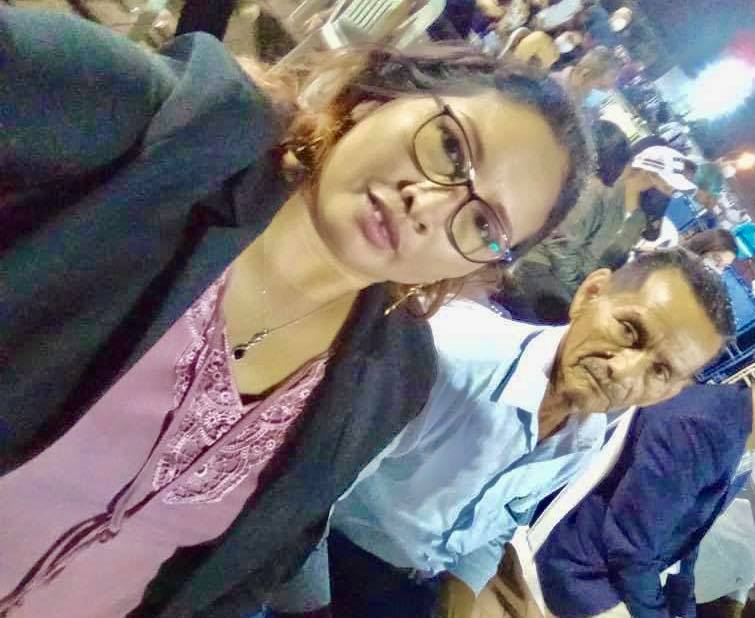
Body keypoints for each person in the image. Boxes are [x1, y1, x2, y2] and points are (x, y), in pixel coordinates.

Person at [0, 7, 594, 618]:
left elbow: (253, 567)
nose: (431, 207)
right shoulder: (190, 132)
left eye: (483, 225)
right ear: (380, 101)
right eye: (449, 147)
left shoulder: (393, 377)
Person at [279, 248, 731, 618]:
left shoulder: (586, 434)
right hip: (322, 556)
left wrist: (460, 590)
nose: (624, 371)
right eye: (629, 331)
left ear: (669, 392)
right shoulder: (450, 361)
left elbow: (500, 523)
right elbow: (302, 497)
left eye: (660, 371)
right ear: (591, 293)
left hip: (414, 580)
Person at [535, 381, 751, 618]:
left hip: (617, 570)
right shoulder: (702, 430)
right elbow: (630, 549)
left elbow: (687, 532)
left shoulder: (733, 419)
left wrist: (683, 606)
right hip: (584, 574)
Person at [549, 45, 619, 103]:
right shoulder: (553, 90)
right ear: (584, 74)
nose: (604, 93)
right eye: (600, 87)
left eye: (605, 89)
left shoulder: (573, 99)